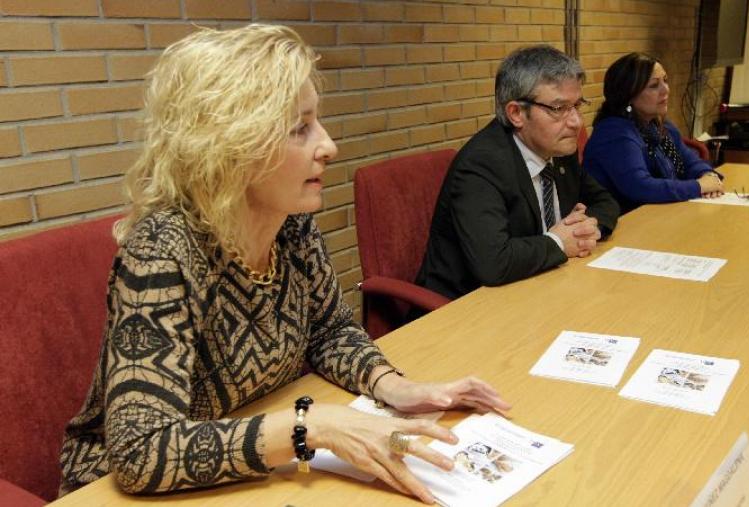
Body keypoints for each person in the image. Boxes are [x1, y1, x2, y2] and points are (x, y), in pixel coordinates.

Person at [57, 25, 510, 505]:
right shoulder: (162, 251)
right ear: (230, 147)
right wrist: (312, 425)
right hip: (123, 489)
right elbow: (140, 450)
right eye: (300, 128)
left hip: (250, 456)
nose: (328, 145)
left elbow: (330, 330)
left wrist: (394, 388)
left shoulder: (290, 224)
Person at [415, 45, 620, 301]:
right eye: (558, 109)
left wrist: (586, 230)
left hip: (540, 287)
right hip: (467, 307)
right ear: (516, 113)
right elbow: (493, 262)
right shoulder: (481, 164)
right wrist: (557, 243)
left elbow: (605, 202)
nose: (576, 122)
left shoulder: (558, 147)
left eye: (577, 105)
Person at [582, 52, 724, 214]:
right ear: (628, 95)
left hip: (657, 216)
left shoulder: (660, 125)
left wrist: (708, 176)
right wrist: (699, 186)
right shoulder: (614, 133)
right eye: (654, 85)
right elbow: (640, 187)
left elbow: (691, 161)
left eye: (665, 81)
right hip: (623, 225)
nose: (666, 90)